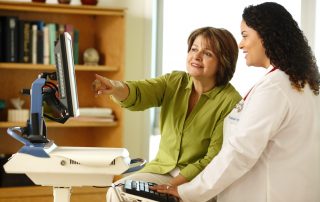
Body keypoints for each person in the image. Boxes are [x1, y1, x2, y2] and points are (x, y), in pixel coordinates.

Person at [151, 2, 320, 202]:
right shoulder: (301, 83)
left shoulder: (275, 88)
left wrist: (188, 191)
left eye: (245, 35)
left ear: (266, 36)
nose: (241, 44)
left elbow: (240, 152)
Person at [92, 27, 241, 201]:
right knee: (118, 190)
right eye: (194, 49)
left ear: (223, 61)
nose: (197, 56)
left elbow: (213, 158)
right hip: (161, 170)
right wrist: (115, 87)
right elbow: (141, 92)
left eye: (207, 53)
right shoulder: (175, 81)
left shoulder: (231, 102)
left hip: (198, 181)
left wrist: (173, 186)